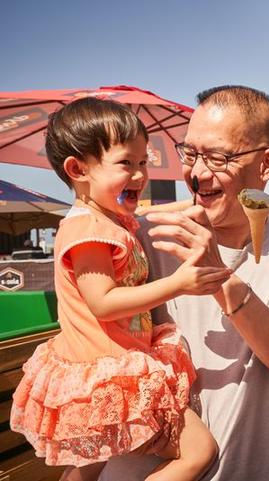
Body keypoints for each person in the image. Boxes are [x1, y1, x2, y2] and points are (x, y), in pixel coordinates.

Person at [100, 86, 269, 480]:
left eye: (217, 157)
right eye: (190, 154)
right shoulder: (141, 237)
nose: (197, 173)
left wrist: (221, 280)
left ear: (266, 164)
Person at [11, 98, 222, 481]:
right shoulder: (89, 232)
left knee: (89, 466)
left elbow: (143, 214)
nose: (141, 175)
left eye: (144, 163)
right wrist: (178, 284)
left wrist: (195, 206)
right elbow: (104, 303)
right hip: (108, 377)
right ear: (77, 169)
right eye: (127, 163)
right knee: (199, 451)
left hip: (104, 372)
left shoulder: (105, 218)